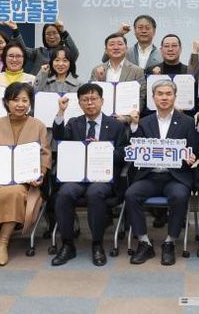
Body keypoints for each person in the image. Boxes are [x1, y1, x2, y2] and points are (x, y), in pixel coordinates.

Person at [51, 83, 127, 266]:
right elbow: (60, 138)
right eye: (85, 100)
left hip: (103, 177)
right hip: (78, 176)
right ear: (79, 103)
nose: (90, 103)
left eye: (93, 99)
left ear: (102, 101)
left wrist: (100, 150)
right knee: (64, 193)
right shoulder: (74, 123)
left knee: (95, 193)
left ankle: (97, 244)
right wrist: (61, 112)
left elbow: (123, 154)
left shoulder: (116, 125)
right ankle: (67, 244)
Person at [0, 83, 51, 268]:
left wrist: (40, 174)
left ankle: (3, 242)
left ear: (30, 103)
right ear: (6, 102)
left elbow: (45, 154)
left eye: (25, 100)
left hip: (25, 181)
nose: (20, 104)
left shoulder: (38, 126)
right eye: (15, 100)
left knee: (15, 192)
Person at [126, 80, 199, 265]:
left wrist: (191, 157)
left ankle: (169, 242)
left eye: (168, 94)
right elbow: (135, 147)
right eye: (160, 94)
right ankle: (144, 243)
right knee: (131, 194)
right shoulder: (143, 122)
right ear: (153, 98)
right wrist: (134, 130)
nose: (164, 97)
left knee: (180, 196)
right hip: (150, 176)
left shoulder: (187, 122)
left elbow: (195, 149)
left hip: (175, 177)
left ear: (175, 97)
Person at [90, 33, 146, 117]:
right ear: (106, 50)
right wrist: (99, 80)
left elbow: (141, 98)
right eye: (112, 44)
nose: (116, 47)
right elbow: (91, 95)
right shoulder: (96, 70)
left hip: (126, 119)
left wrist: (127, 118)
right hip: (101, 118)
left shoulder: (137, 71)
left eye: (120, 44)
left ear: (126, 48)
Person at [16, 19, 80, 75]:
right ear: (44, 37)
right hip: (38, 84)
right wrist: (15, 30)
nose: (51, 37)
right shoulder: (39, 52)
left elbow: (74, 53)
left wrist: (63, 32)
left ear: (60, 35)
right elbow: (23, 50)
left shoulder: (66, 52)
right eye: (48, 34)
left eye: (55, 33)